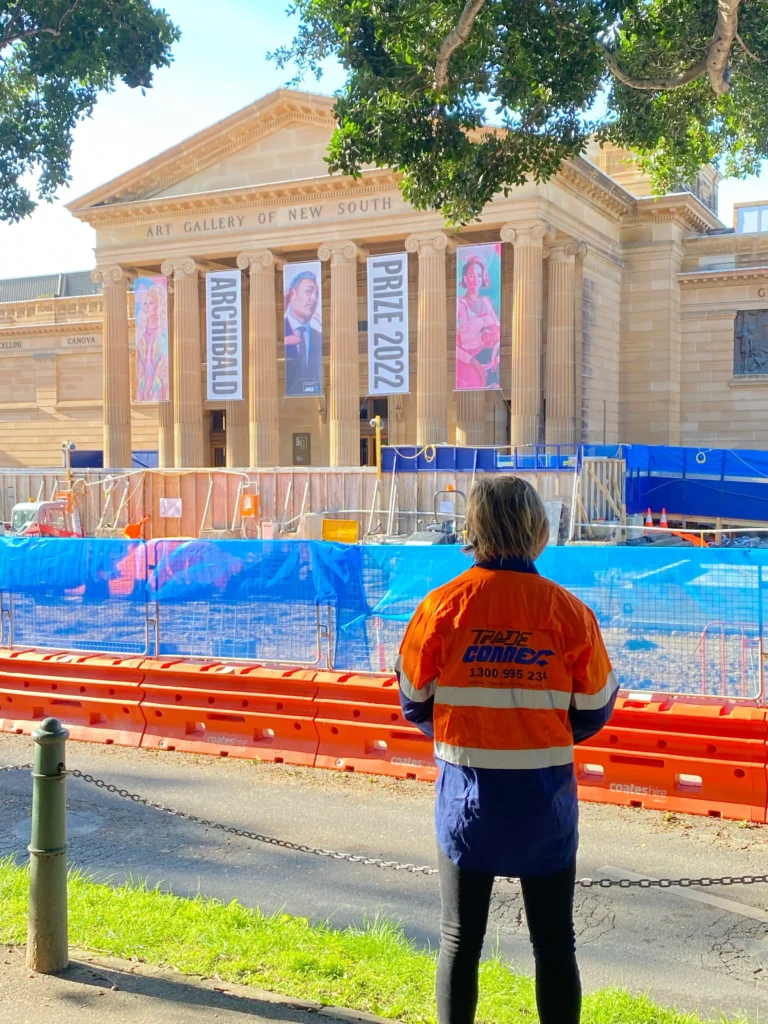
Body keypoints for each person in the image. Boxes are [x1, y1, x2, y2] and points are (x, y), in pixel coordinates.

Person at [395, 476, 618, 1024]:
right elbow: (594, 709)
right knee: (554, 944)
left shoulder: (440, 608)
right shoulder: (569, 613)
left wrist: (467, 730)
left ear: (474, 528)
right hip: (544, 804)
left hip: (467, 802)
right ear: (538, 528)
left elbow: (413, 700)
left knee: (459, 940)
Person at [456, 256, 501, 390]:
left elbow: (498, 332)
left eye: (479, 275)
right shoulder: (460, 304)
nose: (475, 279)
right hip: (471, 366)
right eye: (471, 275)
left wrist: (495, 353)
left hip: (493, 365)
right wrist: (474, 363)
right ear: (465, 278)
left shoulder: (486, 302)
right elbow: (457, 346)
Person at [284, 269, 322, 395]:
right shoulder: (281, 332)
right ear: (293, 295)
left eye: (316, 294)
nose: (314, 298)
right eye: (308, 291)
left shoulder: (318, 335)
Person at [135, 281, 169, 402]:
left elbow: (165, 364)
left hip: (160, 387)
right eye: (145, 303)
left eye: (151, 303)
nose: (146, 306)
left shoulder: (163, 334)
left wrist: (158, 381)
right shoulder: (142, 337)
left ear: (159, 306)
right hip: (144, 386)